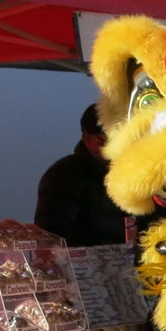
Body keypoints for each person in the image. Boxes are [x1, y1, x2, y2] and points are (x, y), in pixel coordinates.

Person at [33, 104, 131, 246]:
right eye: (103, 141)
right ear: (86, 138)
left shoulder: (134, 172)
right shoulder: (64, 175)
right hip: (85, 265)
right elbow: (51, 235)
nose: (113, 148)